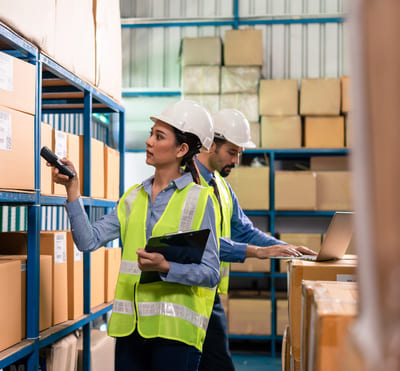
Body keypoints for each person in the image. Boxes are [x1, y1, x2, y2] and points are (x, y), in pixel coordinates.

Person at [51, 100, 221, 371]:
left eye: (159, 136)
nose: (149, 141)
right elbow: (87, 240)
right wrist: (73, 189)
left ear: (182, 149)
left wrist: (166, 267)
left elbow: (212, 273)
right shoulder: (132, 198)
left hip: (175, 336)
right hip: (131, 332)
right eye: (151, 133)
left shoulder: (200, 200)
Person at [194, 108, 317, 371]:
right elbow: (201, 242)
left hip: (207, 294)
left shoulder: (222, 187)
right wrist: (257, 252)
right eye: (232, 152)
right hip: (184, 291)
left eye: (240, 153)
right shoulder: (186, 184)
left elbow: (245, 230)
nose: (237, 161)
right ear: (211, 144)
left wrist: (283, 247)